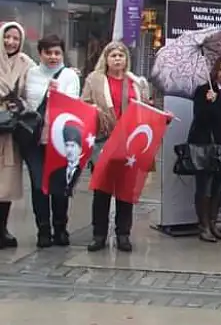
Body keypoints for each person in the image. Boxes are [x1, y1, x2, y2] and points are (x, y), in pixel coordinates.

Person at [81, 41, 150, 252]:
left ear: (126, 59)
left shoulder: (136, 82)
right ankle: (99, 234)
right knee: (102, 190)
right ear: (106, 58)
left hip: (129, 143)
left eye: (121, 55)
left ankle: (123, 234)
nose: (117, 59)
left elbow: (146, 108)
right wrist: (93, 109)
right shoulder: (94, 79)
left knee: (125, 190)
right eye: (113, 55)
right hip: (103, 140)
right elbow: (83, 104)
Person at [22, 34, 82, 248]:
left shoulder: (69, 76)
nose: (53, 57)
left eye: (57, 53)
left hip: (60, 140)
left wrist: (58, 97)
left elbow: (73, 106)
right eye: (48, 53)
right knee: (39, 186)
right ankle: (43, 230)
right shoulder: (31, 74)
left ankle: (60, 228)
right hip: (35, 141)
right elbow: (26, 104)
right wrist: (45, 97)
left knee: (59, 186)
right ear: (40, 54)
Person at [186, 57, 221, 243]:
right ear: (215, 72)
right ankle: (204, 226)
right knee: (205, 188)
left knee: (218, 188)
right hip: (206, 148)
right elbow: (200, 117)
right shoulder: (204, 90)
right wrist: (211, 101)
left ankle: (213, 222)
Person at [0, 22, 32, 249]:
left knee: (7, 182)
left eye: (15, 38)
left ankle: (2, 229)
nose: (11, 42)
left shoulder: (27, 64)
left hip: (11, 129)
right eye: (7, 37)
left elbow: (32, 91)